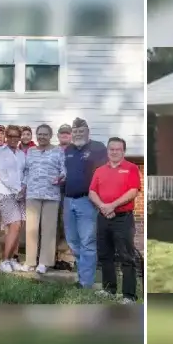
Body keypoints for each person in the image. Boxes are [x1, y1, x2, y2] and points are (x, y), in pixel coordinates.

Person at [89, 137, 141, 304]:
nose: (114, 152)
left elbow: (133, 191)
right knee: (105, 255)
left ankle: (128, 296)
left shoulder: (131, 168)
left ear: (123, 151)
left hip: (122, 218)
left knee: (126, 257)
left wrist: (112, 205)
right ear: (107, 151)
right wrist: (104, 207)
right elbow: (92, 192)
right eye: (111, 149)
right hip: (103, 217)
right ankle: (109, 290)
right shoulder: (99, 170)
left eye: (118, 149)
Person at [63, 117, 107, 289]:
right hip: (68, 201)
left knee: (87, 241)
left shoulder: (98, 148)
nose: (78, 134)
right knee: (73, 241)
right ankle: (82, 277)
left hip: (87, 202)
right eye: (75, 131)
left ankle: (85, 283)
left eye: (81, 131)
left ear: (88, 132)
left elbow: (103, 173)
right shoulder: (68, 150)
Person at [23, 124, 65, 274]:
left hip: (51, 195)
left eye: (45, 134)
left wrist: (61, 178)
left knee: (49, 229)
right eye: (39, 134)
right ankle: (30, 261)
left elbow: (63, 170)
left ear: (50, 135)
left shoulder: (58, 151)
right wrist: (23, 187)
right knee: (31, 229)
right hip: (33, 194)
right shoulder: (31, 151)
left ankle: (44, 262)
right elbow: (26, 171)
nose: (42, 137)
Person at [0, 125, 26, 273]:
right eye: (10, 136)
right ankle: (4, 260)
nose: (13, 139)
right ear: (6, 137)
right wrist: (17, 189)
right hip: (6, 192)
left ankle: (13, 259)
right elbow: (1, 174)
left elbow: (25, 172)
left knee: (18, 227)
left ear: (20, 138)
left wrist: (23, 186)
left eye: (16, 136)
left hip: (21, 193)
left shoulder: (21, 154)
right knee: (15, 224)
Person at [54, 123, 74, 271]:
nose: (65, 136)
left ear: (71, 135)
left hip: (70, 192)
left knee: (66, 225)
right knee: (53, 225)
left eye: (67, 133)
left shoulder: (76, 150)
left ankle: (66, 258)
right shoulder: (53, 150)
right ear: (58, 136)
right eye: (62, 134)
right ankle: (51, 257)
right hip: (54, 192)